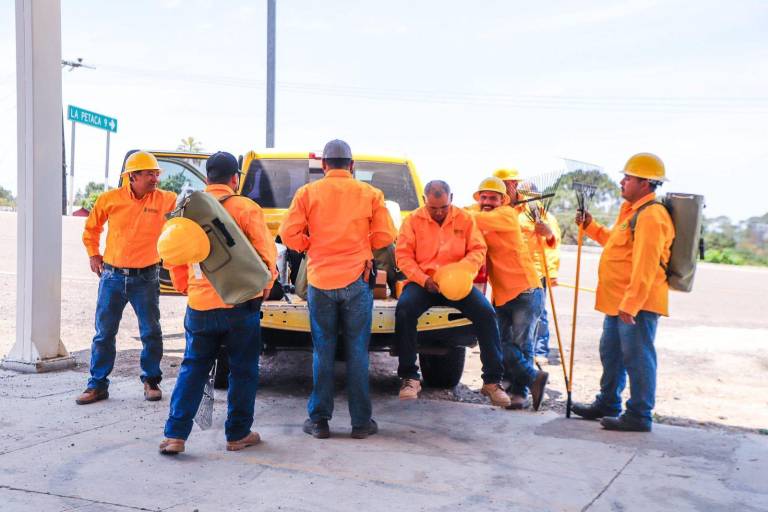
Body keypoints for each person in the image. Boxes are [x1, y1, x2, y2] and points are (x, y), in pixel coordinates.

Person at [159, 151, 277, 454]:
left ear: (207, 177)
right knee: (243, 370)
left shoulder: (187, 209)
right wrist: (266, 285)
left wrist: (186, 286)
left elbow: (175, 252)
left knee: (193, 367)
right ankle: (237, 435)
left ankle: (176, 435)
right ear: (234, 179)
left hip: (200, 305)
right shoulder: (247, 207)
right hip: (241, 304)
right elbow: (267, 255)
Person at [279, 139, 396, 440]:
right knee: (358, 351)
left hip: (320, 280)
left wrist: (311, 246)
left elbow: (288, 232)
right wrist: (361, 248)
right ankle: (360, 423)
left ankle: (319, 421)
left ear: (324, 165)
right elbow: (385, 235)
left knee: (323, 350)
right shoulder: (370, 193)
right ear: (352, 165)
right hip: (357, 279)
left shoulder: (308, 192)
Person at [571, 153, 674, 432]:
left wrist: (632, 303)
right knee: (612, 353)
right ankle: (607, 403)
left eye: (628, 178)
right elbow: (615, 244)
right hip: (618, 302)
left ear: (646, 183)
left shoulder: (652, 215)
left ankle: (639, 415)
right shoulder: (630, 211)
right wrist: (590, 226)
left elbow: (646, 265)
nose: (622, 181)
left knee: (637, 357)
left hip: (635, 304)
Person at [395, 180, 511, 408]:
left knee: (487, 314)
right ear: (425, 201)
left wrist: (462, 271)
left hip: (456, 284)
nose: (438, 212)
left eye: (443, 207)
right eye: (433, 208)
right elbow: (403, 256)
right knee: (405, 310)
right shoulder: (412, 221)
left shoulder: (465, 219)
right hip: (424, 282)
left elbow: (478, 250)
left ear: (451, 199)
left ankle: (492, 382)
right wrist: (423, 279)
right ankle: (409, 378)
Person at [77, 151, 176, 405]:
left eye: (156, 174)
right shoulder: (110, 199)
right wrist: (93, 254)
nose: (155, 178)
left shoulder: (167, 199)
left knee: (151, 332)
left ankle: (151, 380)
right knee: (104, 333)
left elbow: (190, 212)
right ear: (132, 176)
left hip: (146, 277)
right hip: (111, 276)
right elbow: (92, 229)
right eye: (149, 174)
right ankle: (97, 384)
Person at [468, 177, 549, 410]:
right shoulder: (485, 217)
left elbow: (474, 217)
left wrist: (452, 211)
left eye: (492, 197)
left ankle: (520, 394)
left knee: (522, 345)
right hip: (502, 294)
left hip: (525, 290)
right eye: (483, 197)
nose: (487, 201)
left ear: (502, 200)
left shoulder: (505, 215)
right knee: (500, 343)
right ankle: (534, 378)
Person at [493, 169, 561, 365]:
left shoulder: (534, 208)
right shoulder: (497, 208)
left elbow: (551, 239)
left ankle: (538, 353)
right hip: (504, 275)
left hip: (532, 274)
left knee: (532, 320)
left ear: (514, 184)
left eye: (505, 184)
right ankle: (507, 374)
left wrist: (547, 233)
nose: (502, 189)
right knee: (503, 327)